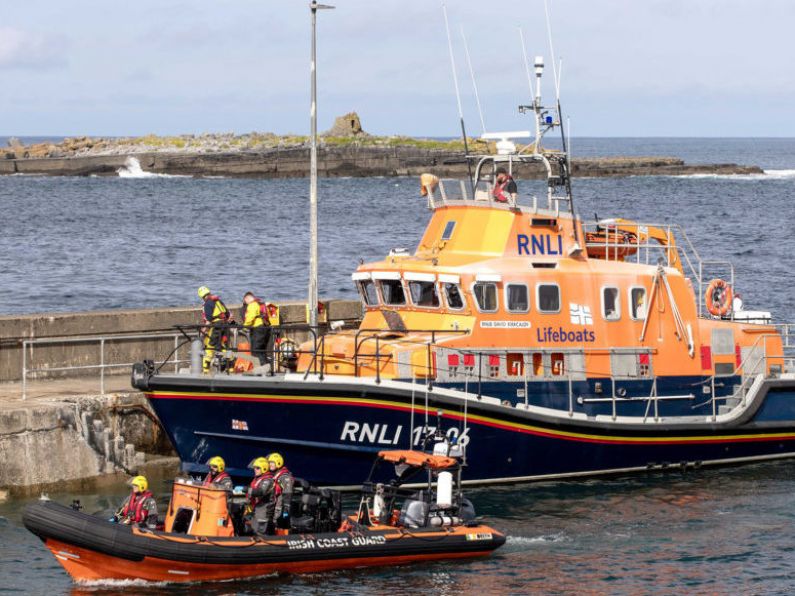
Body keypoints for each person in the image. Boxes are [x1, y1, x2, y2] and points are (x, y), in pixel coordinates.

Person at [198, 286, 230, 373]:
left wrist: (203, 331)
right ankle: (230, 368)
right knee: (225, 346)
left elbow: (208, 319)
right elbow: (227, 313)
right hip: (225, 325)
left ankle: (205, 371)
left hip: (217, 326)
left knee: (209, 348)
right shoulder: (218, 300)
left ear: (202, 296)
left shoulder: (207, 303)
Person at [246, 456, 275, 535]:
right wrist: (249, 511)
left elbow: (261, 491)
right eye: (254, 468)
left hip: (264, 511)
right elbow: (250, 497)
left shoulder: (268, 480)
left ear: (264, 468)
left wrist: (248, 490)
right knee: (251, 529)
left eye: (257, 468)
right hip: (256, 510)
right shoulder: (257, 479)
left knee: (261, 532)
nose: (255, 470)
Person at [241, 292, 271, 365]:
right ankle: (266, 367)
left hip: (258, 329)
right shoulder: (260, 304)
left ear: (246, 299)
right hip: (265, 328)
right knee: (262, 350)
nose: (245, 303)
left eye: (245, 301)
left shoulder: (252, 305)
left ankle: (260, 370)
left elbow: (250, 318)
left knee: (256, 351)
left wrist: (244, 327)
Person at [267, 452, 294, 531]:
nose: (270, 465)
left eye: (272, 463)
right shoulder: (274, 475)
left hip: (280, 507)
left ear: (278, 463)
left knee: (278, 524)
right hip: (273, 506)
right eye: (269, 463)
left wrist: (286, 509)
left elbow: (288, 493)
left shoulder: (285, 477)